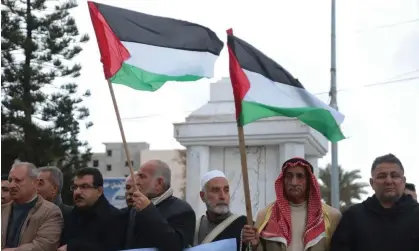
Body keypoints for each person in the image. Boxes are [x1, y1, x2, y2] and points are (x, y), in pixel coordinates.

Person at [242, 157, 342, 251]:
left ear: (309, 181)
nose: (294, 182)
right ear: (283, 180)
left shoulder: (331, 217)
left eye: (300, 177)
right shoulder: (265, 215)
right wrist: (254, 245)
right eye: (289, 176)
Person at [330, 153, 419, 251]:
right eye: (382, 176)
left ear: (403, 181)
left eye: (394, 176)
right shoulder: (353, 217)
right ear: (372, 183)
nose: (389, 181)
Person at [126, 160, 196, 251]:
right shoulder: (136, 208)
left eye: (142, 177)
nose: (136, 182)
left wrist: (148, 210)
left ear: (159, 183)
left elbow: (174, 245)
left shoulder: (183, 211)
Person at [1, 162, 63, 251]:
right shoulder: (3, 210)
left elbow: (44, 246)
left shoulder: (50, 212)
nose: (11, 185)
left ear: (35, 183)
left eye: (18, 180)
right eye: (10, 180)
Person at [59, 167, 122, 251]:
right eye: (75, 187)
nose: (77, 192)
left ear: (99, 191)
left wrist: (71, 247)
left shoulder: (114, 218)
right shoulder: (70, 215)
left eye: (85, 186)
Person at [194, 170, 248, 251]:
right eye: (216, 190)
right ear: (202, 196)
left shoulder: (245, 225)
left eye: (226, 190)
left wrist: (254, 246)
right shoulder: (194, 228)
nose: (222, 196)